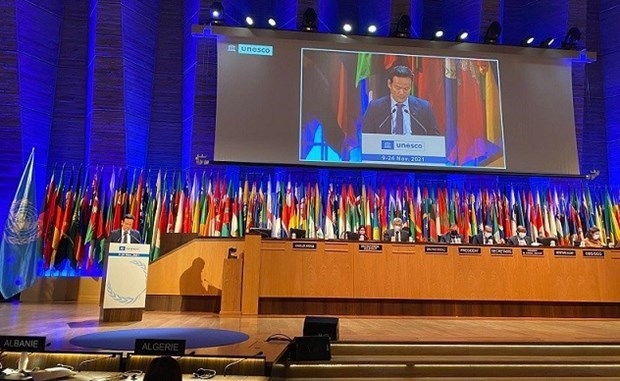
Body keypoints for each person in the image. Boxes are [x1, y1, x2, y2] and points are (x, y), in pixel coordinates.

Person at [362, 65, 441, 136]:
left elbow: (434, 137)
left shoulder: (424, 107)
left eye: (406, 89)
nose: (402, 92)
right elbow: (366, 136)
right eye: (398, 88)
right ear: (389, 84)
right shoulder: (375, 107)